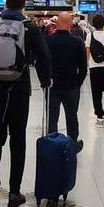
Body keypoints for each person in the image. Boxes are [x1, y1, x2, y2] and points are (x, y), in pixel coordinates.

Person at [0, 0, 52, 207]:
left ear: (5, 3)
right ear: (23, 4)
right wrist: (46, 80)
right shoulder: (30, 28)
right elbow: (45, 56)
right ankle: (14, 192)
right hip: (19, 89)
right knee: (18, 140)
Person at [44, 12, 87, 152]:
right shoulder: (77, 42)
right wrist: (77, 84)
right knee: (71, 116)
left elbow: (41, 64)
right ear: (70, 23)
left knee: (52, 117)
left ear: (57, 23)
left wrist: (45, 81)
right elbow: (83, 68)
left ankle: (51, 144)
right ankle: (72, 144)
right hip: (71, 86)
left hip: (52, 86)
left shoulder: (48, 41)